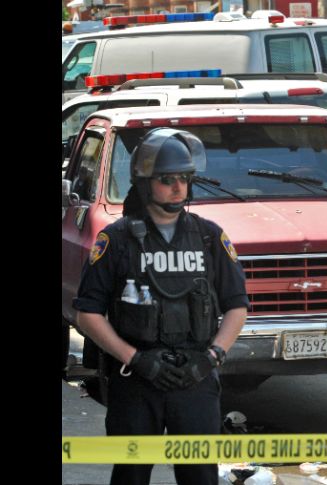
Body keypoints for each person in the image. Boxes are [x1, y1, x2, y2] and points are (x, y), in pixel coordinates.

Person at [73, 127, 249, 485]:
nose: (177, 187)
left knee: (200, 477)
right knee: (131, 476)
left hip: (196, 377)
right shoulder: (116, 240)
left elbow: (237, 306)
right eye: (167, 179)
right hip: (137, 382)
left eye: (184, 178)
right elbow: (87, 314)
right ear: (144, 182)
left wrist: (212, 357)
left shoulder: (209, 237)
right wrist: (136, 359)